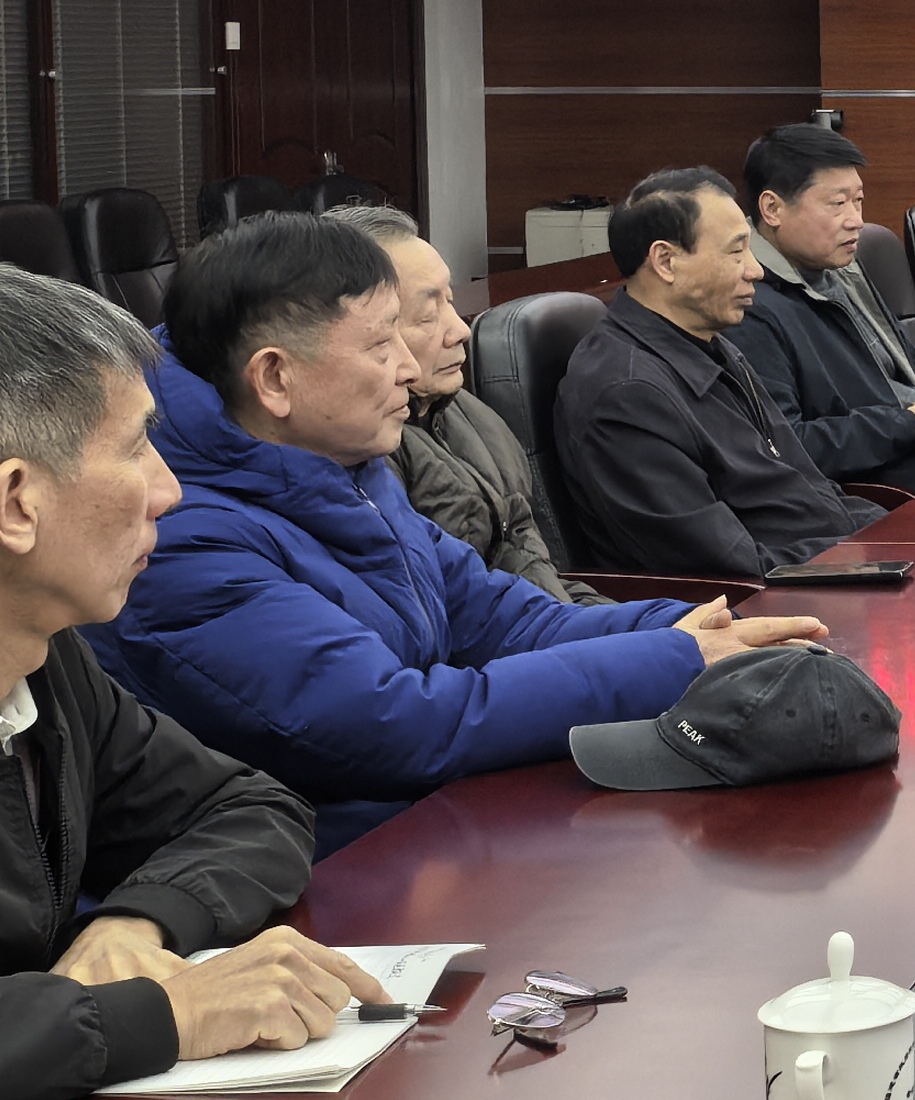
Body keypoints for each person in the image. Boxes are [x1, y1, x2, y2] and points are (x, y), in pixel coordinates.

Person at [87, 216, 825, 855]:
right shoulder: (178, 542)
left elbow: (505, 619)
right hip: (323, 882)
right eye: (382, 345)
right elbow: (397, 724)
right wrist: (672, 658)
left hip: (437, 830)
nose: (410, 368)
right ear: (275, 378)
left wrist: (697, 630)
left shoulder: (342, 467)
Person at [0, 267, 401, 1100]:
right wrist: (161, 1013)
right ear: (16, 502)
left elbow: (252, 807)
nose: (170, 489)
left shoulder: (50, 660)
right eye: (134, 446)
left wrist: (136, 919)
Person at [554, 169, 885, 578]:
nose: (756, 270)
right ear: (666, 261)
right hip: (772, 601)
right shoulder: (626, 394)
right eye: (736, 251)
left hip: (830, 565)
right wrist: (866, 557)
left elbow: (810, 492)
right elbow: (725, 566)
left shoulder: (711, 344)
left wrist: (898, 538)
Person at [321, 203, 596, 601]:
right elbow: (453, 614)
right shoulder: (358, 451)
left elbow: (541, 580)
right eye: (426, 316)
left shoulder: (469, 411)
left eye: (449, 301)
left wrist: (647, 625)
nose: (460, 330)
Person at [733, 125, 915, 497]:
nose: (855, 219)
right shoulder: (747, 305)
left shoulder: (843, 271)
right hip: (893, 498)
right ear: (772, 209)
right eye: (837, 204)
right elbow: (788, 445)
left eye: (858, 201)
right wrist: (907, 426)